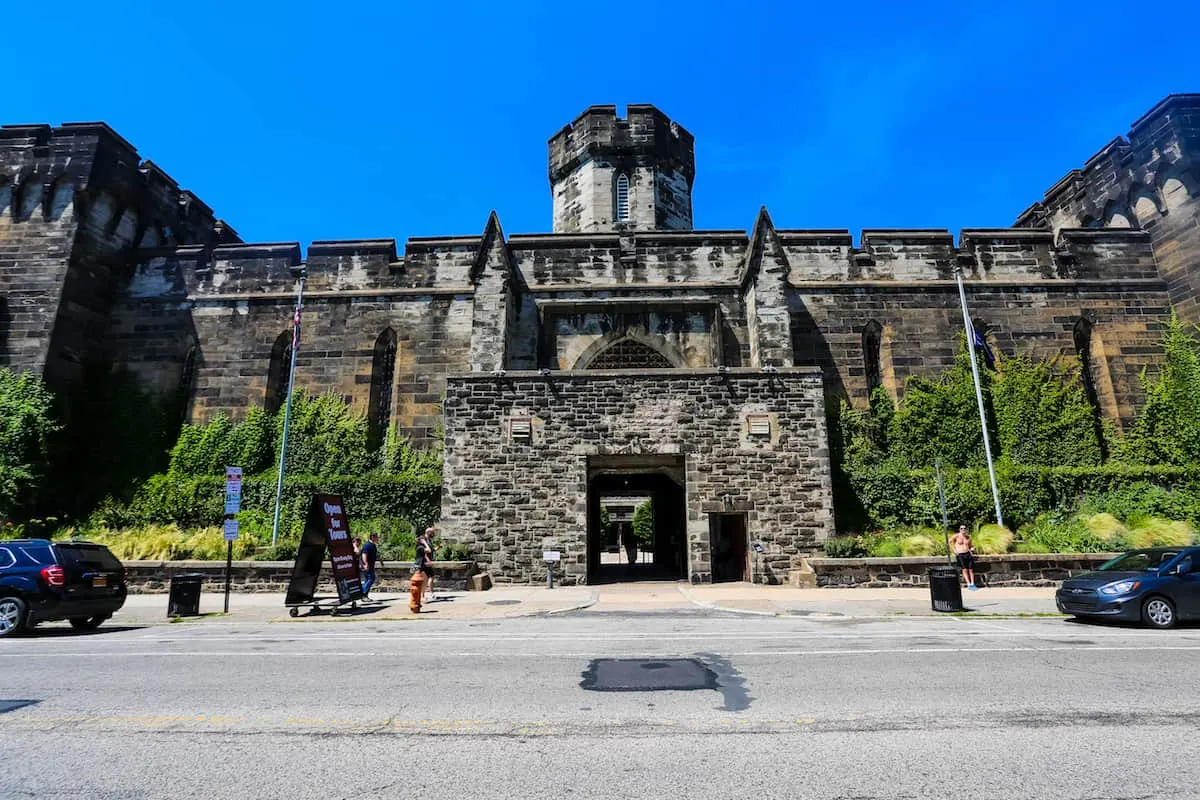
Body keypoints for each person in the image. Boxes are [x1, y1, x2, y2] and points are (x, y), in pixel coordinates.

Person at [950, 524, 978, 590]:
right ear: (959, 529)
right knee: (964, 569)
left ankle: (972, 583)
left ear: (966, 529)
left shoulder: (968, 537)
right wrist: (954, 550)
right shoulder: (956, 536)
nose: (963, 529)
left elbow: (971, 546)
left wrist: (973, 549)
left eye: (964, 528)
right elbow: (949, 542)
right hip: (960, 554)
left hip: (968, 554)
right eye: (961, 528)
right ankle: (968, 584)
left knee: (971, 569)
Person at [416, 527, 437, 601]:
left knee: (430, 577)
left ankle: (428, 594)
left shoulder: (428, 540)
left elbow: (430, 550)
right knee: (426, 578)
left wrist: (436, 548)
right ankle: (423, 595)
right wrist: (428, 561)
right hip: (424, 562)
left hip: (426, 562)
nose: (433, 534)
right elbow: (424, 551)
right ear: (428, 532)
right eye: (432, 533)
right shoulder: (422, 539)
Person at [360, 533, 379, 600]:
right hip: (367, 566)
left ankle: (365, 596)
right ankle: (362, 592)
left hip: (371, 565)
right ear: (373, 537)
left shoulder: (373, 545)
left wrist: (380, 560)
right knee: (371, 578)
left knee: (367, 580)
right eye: (377, 537)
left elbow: (375, 554)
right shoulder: (367, 545)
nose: (378, 538)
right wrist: (365, 564)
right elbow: (364, 554)